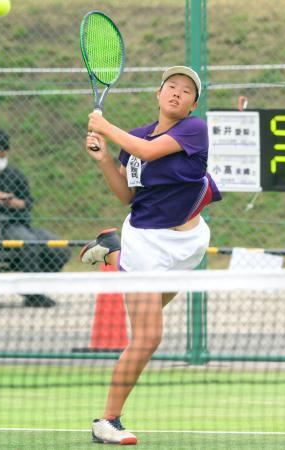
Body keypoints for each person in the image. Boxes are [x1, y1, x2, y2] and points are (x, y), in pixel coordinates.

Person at [80, 66, 222, 445]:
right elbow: (128, 196)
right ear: (158, 95)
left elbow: (149, 151)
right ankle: (107, 421)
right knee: (147, 337)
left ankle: (111, 254)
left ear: (193, 105)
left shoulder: (193, 130)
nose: (177, 93)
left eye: (186, 90)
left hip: (189, 245)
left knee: (148, 320)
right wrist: (105, 159)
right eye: (171, 87)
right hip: (146, 244)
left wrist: (105, 126)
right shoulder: (134, 139)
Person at [0, 129, 71, 307]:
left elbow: (26, 202)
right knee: (29, 243)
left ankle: (32, 286)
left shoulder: (15, 174)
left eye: (2, 156)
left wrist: (13, 202)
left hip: (14, 223)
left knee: (59, 248)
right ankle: (34, 294)